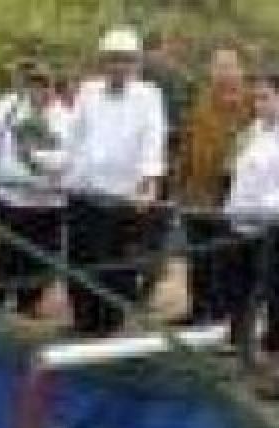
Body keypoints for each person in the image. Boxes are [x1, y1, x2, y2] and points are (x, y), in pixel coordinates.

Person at [62, 27, 167, 335]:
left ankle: (109, 327)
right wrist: (64, 171)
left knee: (117, 267)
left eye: (125, 60)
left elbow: (153, 139)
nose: (118, 66)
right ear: (102, 61)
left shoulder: (149, 95)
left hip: (124, 197)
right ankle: (83, 323)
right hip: (85, 191)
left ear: (136, 63)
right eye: (112, 60)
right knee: (80, 260)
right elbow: (75, 136)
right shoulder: (88, 90)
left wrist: (148, 182)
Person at [0, 59, 71, 316]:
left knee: (40, 254)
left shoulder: (66, 117)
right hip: (12, 196)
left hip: (49, 201)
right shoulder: (8, 106)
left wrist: (39, 159)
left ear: (55, 88)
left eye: (45, 85)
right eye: (34, 84)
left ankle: (28, 304)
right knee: (6, 251)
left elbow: (68, 157)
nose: (39, 91)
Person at [174, 47, 253, 324]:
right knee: (197, 258)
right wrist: (180, 184)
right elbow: (187, 144)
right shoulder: (202, 101)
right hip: (196, 195)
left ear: (241, 70)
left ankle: (220, 315)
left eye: (229, 66)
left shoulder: (251, 104)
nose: (222, 72)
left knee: (224, 259)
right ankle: (197, 310)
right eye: (217, 66)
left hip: (230, 197)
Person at [222, 70, 279, 364]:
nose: (259, 104)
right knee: (238, 284)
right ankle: (239, 342)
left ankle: (271, 355)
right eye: (256, 98)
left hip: (270, 226)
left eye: (265, 97)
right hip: (240, 220)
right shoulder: (253, 130)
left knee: (269, 291)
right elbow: (236, 171)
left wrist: (263, 211)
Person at [138, 30, 195, 305]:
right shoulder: (178, 76)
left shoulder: (137, 70)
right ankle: (146, 288)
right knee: (155, 227)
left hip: (136, 161)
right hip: (164, 159)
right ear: (162, 45)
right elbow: (185, 121)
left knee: (133, 226)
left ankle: (129, 286)